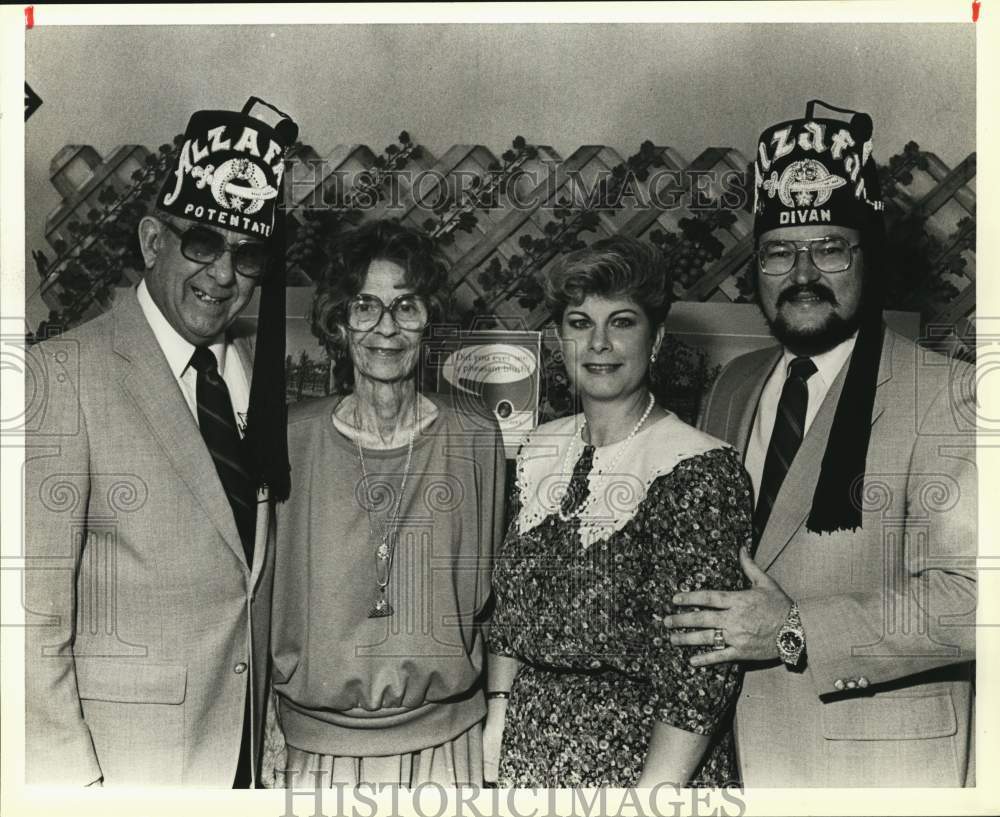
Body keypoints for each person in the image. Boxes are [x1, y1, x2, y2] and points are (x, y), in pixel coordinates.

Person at [666, 101, 977, 786]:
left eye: (830, 246)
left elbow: (974, 600)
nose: (803, 272)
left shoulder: (949, 393)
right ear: (756, 266)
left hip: (876, 769)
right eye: (779, 250)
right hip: (732, 763)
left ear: (868, 257)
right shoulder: (732, 386)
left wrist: (797, 627)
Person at [25, 98, 298, 786]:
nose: (223, 275)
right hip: (123, 772)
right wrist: (70, 788)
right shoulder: (63, 374)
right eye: (202, 242)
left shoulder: (252, 383)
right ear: (153, 241)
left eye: (247, 254)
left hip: (240, 760)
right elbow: (29, 619)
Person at [484, 236, 753, 787]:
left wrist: (654, 793)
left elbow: (703, 667)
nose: (599, 343)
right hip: (528, 753)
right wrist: (498, 715)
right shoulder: (537, 448)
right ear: (560, 340)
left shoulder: (700, 467)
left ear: (655, 341)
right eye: (580, 322)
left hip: (645, 764)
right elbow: (509, 617)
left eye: (622, 322)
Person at [268, 219, 506, 788]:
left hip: (446, 748)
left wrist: (497, 714)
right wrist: (263, 727)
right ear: (339, 321)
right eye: (365, 307)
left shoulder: (475, 438)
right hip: (312, 750)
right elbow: (257, 597)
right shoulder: (290, 438)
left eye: (407, 307)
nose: (386, 328)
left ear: (429, 322)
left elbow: (497, 598)